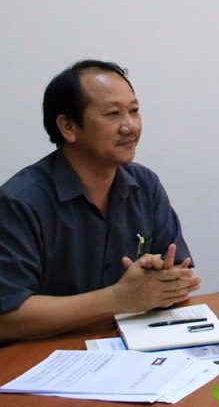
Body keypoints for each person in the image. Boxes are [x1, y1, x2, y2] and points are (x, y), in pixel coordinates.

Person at [0, 60, 198, 342]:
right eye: (113, 114)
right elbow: (7, 317)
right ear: (68, 126)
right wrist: (118, 298)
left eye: (134, 111)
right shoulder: (20, 202)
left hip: (134, 346)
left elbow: (179, 271)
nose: (130, 126)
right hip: (48, 355)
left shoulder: (145, 185)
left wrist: (167, 281)